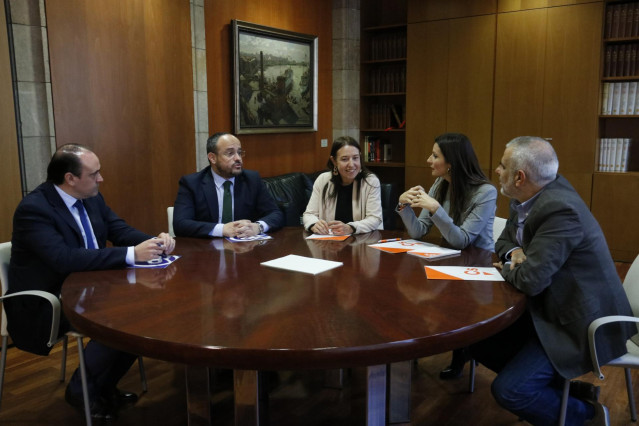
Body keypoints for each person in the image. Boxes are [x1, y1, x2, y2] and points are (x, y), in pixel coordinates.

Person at [471, 136, 634, 426]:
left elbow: (531, 281)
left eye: (502, 165)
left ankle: (586, 416)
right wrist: (515, 253)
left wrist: (505, 267)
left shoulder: (560, 209)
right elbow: (506, 240)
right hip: (549, 305)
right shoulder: (526, 196)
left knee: (510, 391)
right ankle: (573, 393)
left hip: (579, 321)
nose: (496, 170)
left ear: (520, 177)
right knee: (477, 343)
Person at [5, 144, 175, 420]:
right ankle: (81, 390)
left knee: (143, 311)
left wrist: (153, 242)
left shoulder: (91, 197)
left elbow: (117, 228)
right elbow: (63, 259)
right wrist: (132, 254)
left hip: (93, 287)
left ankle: (102, 386)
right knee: (120, 320)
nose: (101, 179)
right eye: (94, 174)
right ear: (70, 179)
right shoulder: (34, 209)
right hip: (49, 298)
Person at [396, 132, 497, 380]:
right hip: (448, 262)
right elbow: (418, 232)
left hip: (476, 266)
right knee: (412, 293)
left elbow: (462, 241)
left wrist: (436, 209)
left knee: (435, 300)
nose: (428, 160)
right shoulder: (440, 184)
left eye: (435, 155)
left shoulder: (485, 192)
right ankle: (414, 349)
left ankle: (462, 351)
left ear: (450, 161)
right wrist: (403, 206)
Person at [173, 132, 284, 238]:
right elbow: (180, 224)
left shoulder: (252, 179)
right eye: (230, 153)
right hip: (207, 250)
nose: (238, 158)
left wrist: (258, 227)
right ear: (212, 158)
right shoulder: (192, 183)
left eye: (239, 153)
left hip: (245, 250)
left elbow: (276, 214)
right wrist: (222, 229)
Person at [303, 136, 383, 235]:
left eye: (355, 158)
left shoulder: (370, 181)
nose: (351, 164)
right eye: (345, 159)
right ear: (334, 161)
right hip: (330, 243)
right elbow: (309, 214)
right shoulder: (323, 180)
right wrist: (314, 224)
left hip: (362, 241)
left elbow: (375, 219)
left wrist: (350, 228)